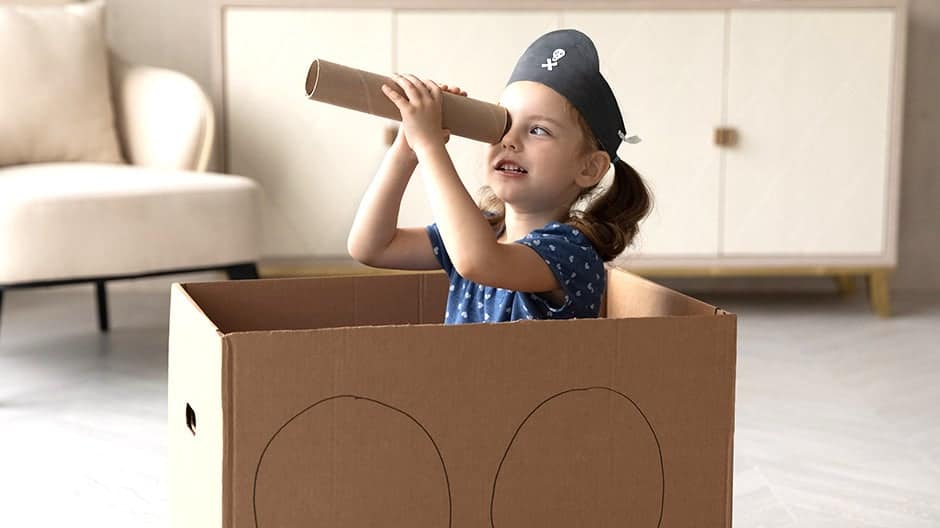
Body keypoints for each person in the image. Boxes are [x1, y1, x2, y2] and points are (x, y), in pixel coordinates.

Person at [347, 29, 652, 324]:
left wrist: (429, 146)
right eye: (504, 124)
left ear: (589, 168)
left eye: (538, 130)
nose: (510, 141)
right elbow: (372, 247)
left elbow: (478, 261)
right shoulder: (484, 230)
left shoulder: (572, 253)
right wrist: (407, 148)